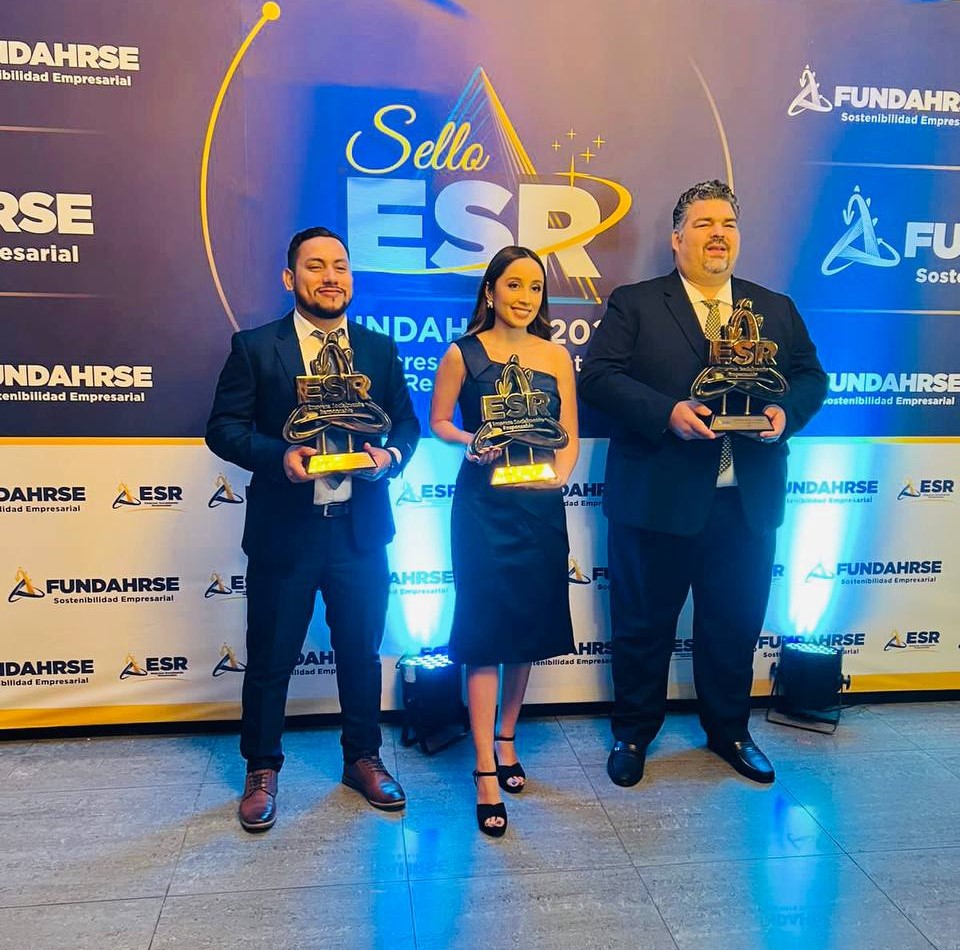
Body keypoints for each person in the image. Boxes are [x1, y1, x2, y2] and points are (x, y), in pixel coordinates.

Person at [579, 180, 827, 787]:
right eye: (704, 223)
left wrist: (785, 412)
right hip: (657, 499)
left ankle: (731, 731)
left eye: (728, 224)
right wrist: (666, 412)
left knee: (734, 626)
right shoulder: (636, 303)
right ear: (676, 238)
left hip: (746, 503)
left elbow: (811, 377)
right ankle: (633, 733)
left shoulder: (774, 308)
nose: (719, 234)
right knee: (642, 627)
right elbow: (599, 377)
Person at [206, 226, 420, 831]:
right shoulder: (255, 347)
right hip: (286, 533)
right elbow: (223, 428)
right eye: (316, 266)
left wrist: (390, 458)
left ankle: (363, 758)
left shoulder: (378, 349)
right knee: (271, 659)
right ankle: (261, 768)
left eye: (340, 266)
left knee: (360, 654)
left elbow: (406, 425)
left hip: (359, 531)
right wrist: (280, 456)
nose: (331, 277)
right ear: (289, 278)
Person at [430, 246, 578, 837]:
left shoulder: (556, 355)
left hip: (539, 507)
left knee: (525, 630)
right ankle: (484, 769)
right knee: (485, 633)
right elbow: (440, 421)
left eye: (535, 287)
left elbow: (569, 433)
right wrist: (469, 441)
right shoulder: (462, 353)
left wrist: (559, 475)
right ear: (490, 291)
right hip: (482, 509)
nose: (525, 297)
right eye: (513, 284)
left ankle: (508, 738)